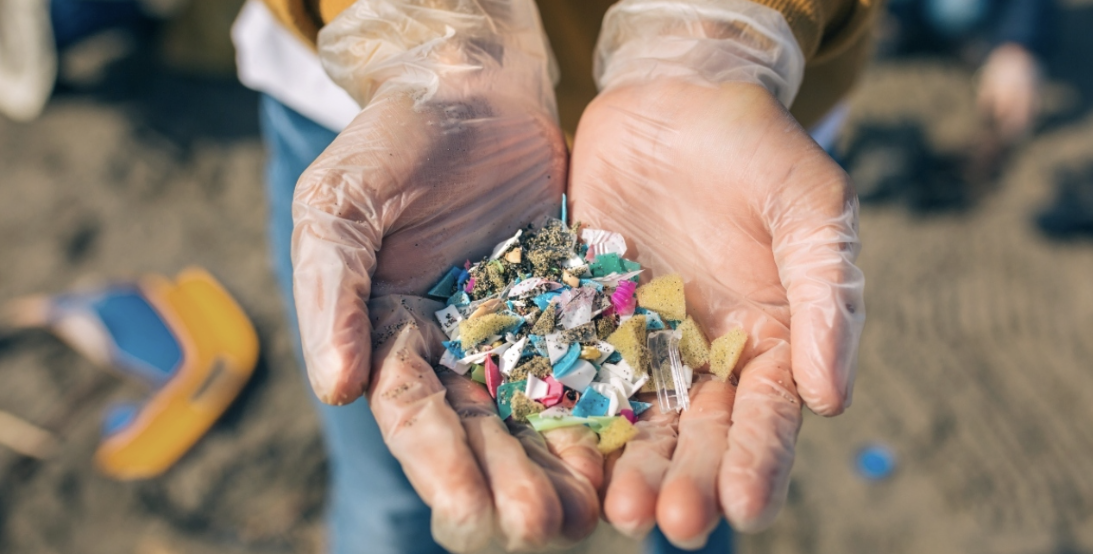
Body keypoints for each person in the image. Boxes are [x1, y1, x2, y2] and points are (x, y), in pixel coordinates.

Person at [232, 0, 869, 552]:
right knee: (391, 491)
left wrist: (720, 40)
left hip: (739, 132)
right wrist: (430, 40)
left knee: (693, 492)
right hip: (393, 114)